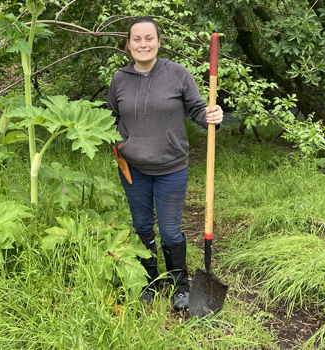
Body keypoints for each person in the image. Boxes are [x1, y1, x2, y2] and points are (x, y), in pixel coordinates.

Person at [107, 16, 224, 311]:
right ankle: (148, 281)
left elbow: (197, 110)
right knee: (142, 226)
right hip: (132, 168)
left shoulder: (177, 74)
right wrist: (116, 143)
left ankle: (180, 285)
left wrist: (211, 116)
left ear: (158, 42)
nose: (143, 44)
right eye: (137, 39)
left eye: (149, 38)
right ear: (128, 44)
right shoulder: (119, 79)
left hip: (171, 167)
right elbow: (110, 118)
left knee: (170, 230)